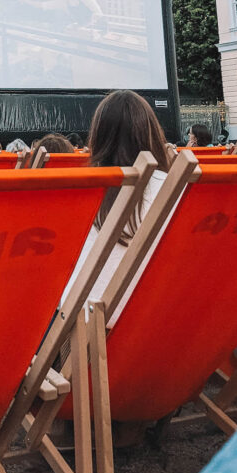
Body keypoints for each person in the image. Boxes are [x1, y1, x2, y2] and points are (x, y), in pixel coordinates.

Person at [61, 89, 170, 326]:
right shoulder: (183, 191)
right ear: (152, 132)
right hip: (168, 324)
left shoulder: (81, 195)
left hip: (91, 332)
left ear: (99, 137)